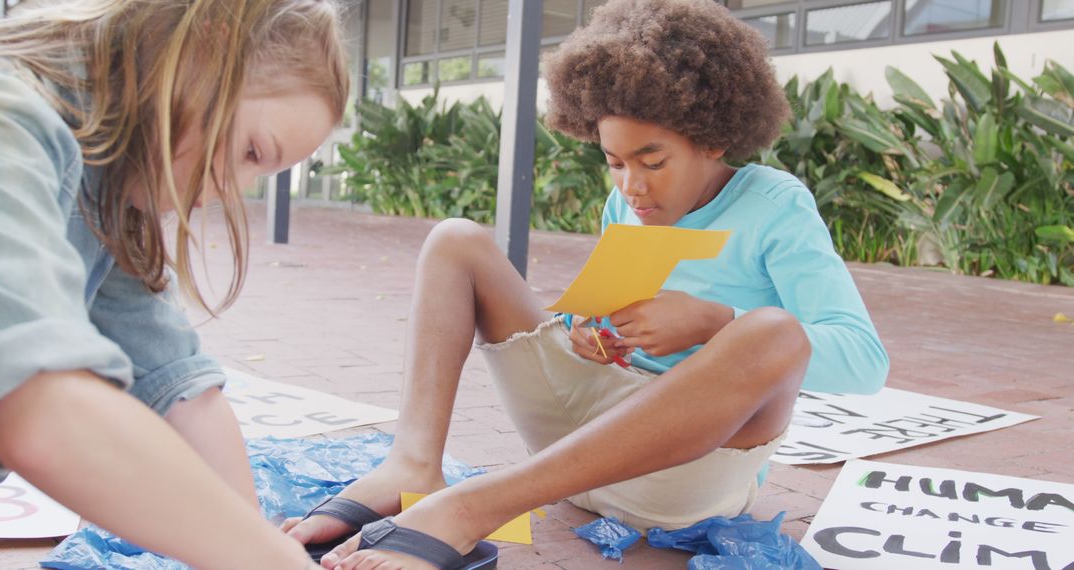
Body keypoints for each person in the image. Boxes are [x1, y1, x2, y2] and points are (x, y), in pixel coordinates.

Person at [284, 0, 889, 568]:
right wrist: (590, 334)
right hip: (579, 446)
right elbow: (594, 311)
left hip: (682, 474)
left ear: (713, 138)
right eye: (614, 162)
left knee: (774, 334)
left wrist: (715, 323)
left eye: (653, 162)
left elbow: (864, 364)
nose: (633, 187)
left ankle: (474, 507)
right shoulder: (625, 205)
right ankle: (411, 466)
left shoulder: (775, 205)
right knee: (455, 240)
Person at [0, 0, 349, 567]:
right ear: (204, 52)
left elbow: (181, 389)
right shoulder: (8, 118)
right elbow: (39, 412)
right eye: (250, 153)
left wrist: (261, 540)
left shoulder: (106, 178)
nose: (223, 194)